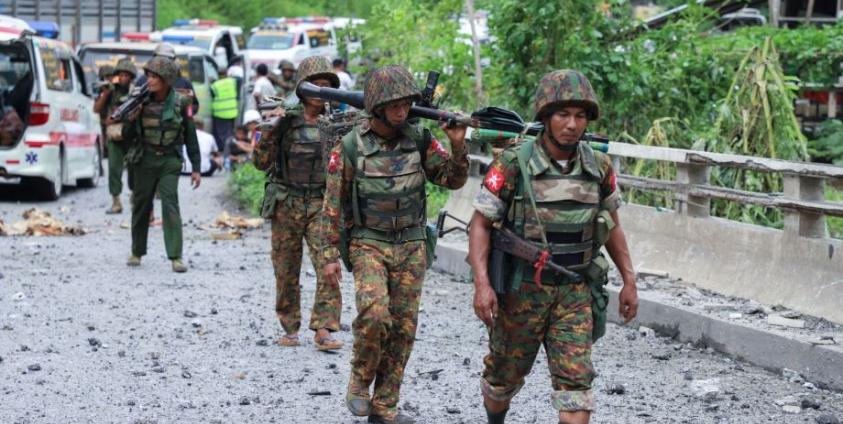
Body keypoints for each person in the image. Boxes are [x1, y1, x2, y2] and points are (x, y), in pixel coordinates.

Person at [467, 69, 639, 424]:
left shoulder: (598, 166)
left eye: (580, 116)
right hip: (521, 292)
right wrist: (482, 285)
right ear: (546, 116)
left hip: (574, 292)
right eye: (563, 114)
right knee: (501, 381)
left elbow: (612, 225)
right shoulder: (514, 163)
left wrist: (629, 280)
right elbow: (480, 225)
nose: (572, 124)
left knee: (577, 391)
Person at [320, 65, 469, 424]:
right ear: (377, 107)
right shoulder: (351, 145)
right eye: (394, 105)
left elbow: (451, 179)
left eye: (406, 103)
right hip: (368, 242)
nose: (402, 111)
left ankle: (385, 404)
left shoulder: (419, 139)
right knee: (374, 315)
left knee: (403, 328)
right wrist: (328, 256)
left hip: (412, 244)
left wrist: (457, 144)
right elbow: (332, 204)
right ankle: (360, 380)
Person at [253, 56, 344, 352]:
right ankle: (290, 327)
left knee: (328, 264)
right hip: (287, 201)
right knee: (286, 268)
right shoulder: (284, 117)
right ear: (302, 88)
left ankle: (324, 328)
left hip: (321, 203)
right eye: (315, 85)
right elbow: (260, 162)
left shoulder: (337, 123)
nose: (320, 92)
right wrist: (271, 128)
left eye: (326, 86)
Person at [122, 56, 201, 273]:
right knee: (141, 206)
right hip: (145, 158)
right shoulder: (139, 100)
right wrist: (131, 118)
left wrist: (196, 168)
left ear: (166, 80)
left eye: (154, 77)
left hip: (169, 159)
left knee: (170, 204)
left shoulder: (182, 102)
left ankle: (175, 256)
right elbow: (126, 136)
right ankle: (137, 251)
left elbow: (190, 135)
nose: (149, 81)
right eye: (148, 76)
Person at [94, 58, 136, 214]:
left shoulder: (135, 91)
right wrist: (106, 94)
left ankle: (135, 196)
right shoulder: (111, 90)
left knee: (134, 169)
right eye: (121, 75)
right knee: (113, 169)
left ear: (131, 77)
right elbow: (96, 109)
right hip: (115, 136)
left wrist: (116, 118)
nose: (123, 78)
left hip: (131, 136)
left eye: (127, 75)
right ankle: (116, 201)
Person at [134, 43, 199, 114]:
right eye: (159, 58)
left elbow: (192, 107)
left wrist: (181, 111)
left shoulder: (183, 82)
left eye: (167, 59)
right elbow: (133, 102)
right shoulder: (144, 80)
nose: (163, 62)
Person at [210, 67, 240, 152]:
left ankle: (225, 150)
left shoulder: (214, 85)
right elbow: (239, 79)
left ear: (218, 75)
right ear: (227, 74)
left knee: (222, 134)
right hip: (232, 112)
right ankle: (231, 148)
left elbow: (211, 95)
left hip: (220, 113)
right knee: (230, 132)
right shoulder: (233, 82)